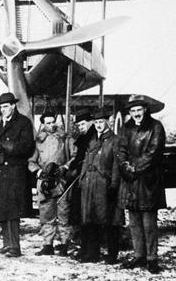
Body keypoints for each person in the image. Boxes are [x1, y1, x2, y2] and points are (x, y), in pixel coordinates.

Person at [0, 92, 35, 258]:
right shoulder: (0, 123)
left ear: (13, 105)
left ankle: (15, 246)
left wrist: (2, 144)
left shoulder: (24, 123)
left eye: (6, 106)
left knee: (12, 210)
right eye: (1, 107)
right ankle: (7, 244)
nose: (3, 109)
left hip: (13, 172)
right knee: (1, 207)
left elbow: (25, 148)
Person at [119, 94, 167, 274]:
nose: (136, 113)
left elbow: (153, 153)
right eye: (133, 111)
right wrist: (125, 167)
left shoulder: (156, 127)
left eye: (139, 110)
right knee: (134, 222)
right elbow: (121, 149)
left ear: (145, 110)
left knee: (149, 223)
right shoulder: (127, 128)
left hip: (148, 181)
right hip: (131, 181)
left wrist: (135, 168)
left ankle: (152, 258)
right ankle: (138, 255)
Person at [79, 108, 126, 264]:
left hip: (103, 183)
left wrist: (113, 185)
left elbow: (116, 165)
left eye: (101, 122)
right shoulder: (92, 141)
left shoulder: (115, 140)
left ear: (107, 122)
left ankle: (112, 255)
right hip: (89, 183)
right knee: (90, 218)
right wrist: (82, 179)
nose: (99, 125)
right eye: (97, 122)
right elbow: (86, 161)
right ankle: (92, 254)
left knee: (109, 219)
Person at [28, 111, 76, 257]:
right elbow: (31, 161)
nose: (51, 125)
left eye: (52, 121)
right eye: (47, 123)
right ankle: (47, 244)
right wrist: (38, 172)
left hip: (61, 180)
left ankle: (64, 244)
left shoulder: (65, 138)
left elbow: (74, 155)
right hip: (44, 182)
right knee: (46, 213)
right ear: (43, 123)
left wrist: (65, 167)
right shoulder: (38, 140)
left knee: (63, 213)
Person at [71, 109, 95, 259]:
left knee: (89, 217)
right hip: (81, 179)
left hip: (89, 180)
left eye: (83, 123)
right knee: (82, 216)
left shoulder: (91, 138)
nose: (81, 127)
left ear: (90, 122)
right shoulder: (84, 137)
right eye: (79, 124)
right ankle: (85, 248)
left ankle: (90, 251)